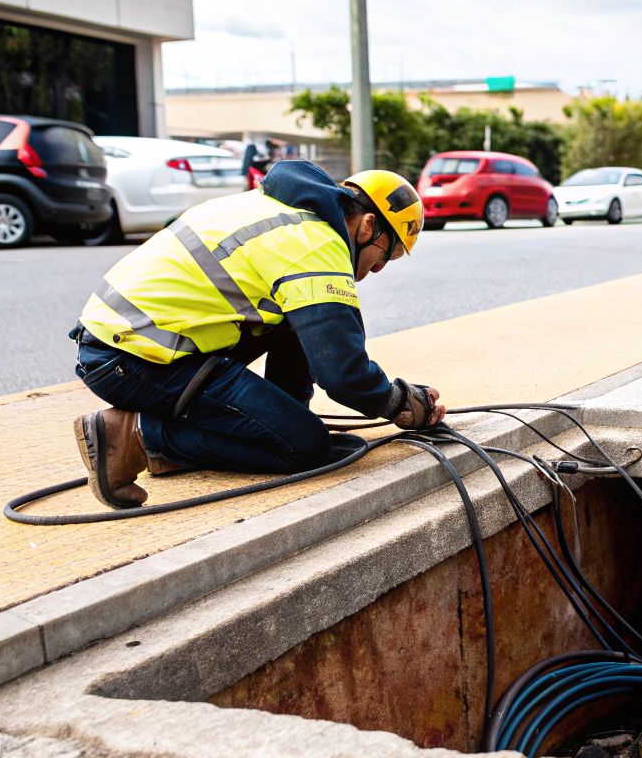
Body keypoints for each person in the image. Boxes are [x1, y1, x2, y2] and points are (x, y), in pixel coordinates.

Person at [69, 159, 444, 508]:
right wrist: (401, 403)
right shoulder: (316, 244)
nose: (378, 269)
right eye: (386, 255)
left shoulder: (274, 210)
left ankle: (200, 435)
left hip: (129, 345)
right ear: (366, 227)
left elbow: (300, 336)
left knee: (293, 350)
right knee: (306, 448)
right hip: (136, 361)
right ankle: (135, 435)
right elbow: (343, 374)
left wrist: (286, 417)